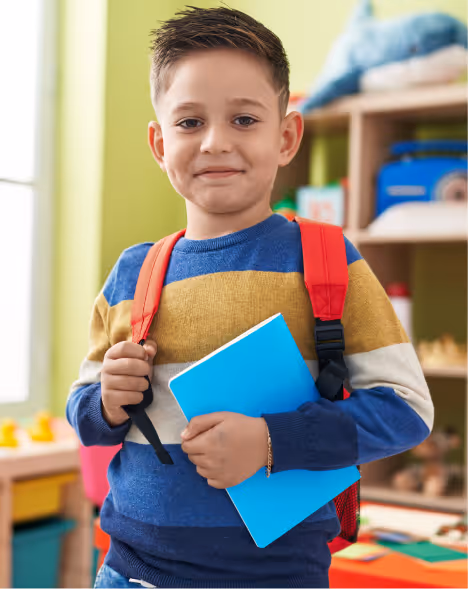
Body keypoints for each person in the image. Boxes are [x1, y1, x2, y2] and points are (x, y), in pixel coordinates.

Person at [66, 5, 434, 588]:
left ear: (286, 136)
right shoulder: (132, 273)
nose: (214, 142)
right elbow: (85, 414)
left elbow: (407, 410)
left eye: (243, 119)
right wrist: (106, 400)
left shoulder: (328, 260)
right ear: (159, 144)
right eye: (189, 122)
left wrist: (270, 442)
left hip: (277, 576)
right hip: (132, 573)